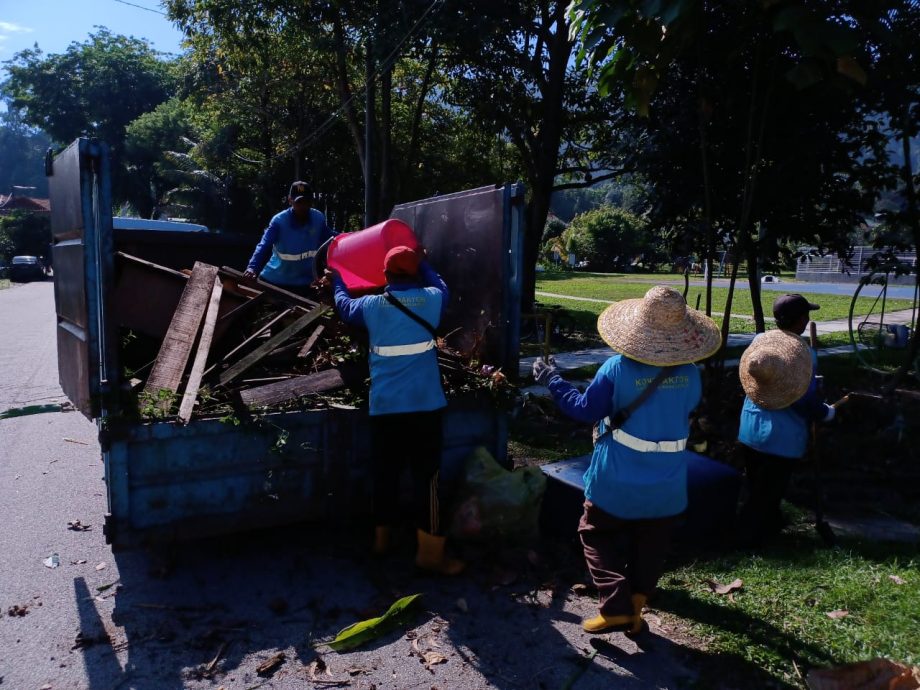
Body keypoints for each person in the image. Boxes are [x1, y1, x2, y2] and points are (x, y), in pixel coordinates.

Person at [532, 286, 720, 635]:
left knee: (594, 532)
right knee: (652, 542)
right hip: (668, 483)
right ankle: (636, 606)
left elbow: (584, 409)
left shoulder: (617, 368)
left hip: (616, 479)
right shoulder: (692, 373)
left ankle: (616, 606)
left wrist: (553, 381)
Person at [331, 244, 463, 575]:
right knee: (428, 481)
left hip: (387, 409)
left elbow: (344, 306)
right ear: (416, 273)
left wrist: (337, 276)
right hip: (426, 408)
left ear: (386, 275)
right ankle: (430, 555)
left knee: (385, 475)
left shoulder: (374, 306)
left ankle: (382, 541)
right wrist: (425, 261)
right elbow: (442, 285)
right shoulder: (434, 299)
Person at [736, 297, 835, 547]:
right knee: (767, 492)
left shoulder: (760, 341)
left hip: (750, 428)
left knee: (758, 486)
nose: (808, 320)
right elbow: (803, 399)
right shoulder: (802, 355)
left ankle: (770, 526)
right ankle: (748, 539)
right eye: (806, 316)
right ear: (801, 320)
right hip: (779, 438)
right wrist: (825, 413)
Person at [243, 181, 334, 294]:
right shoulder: (279, 221)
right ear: (290, 200)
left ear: (311, 202)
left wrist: (354, 237)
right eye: (299, 202)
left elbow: (332, 238)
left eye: (306, 202)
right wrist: (252, 268)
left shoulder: (318, 219)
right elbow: (263, 246)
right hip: (275, 282)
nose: (303, 206)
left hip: (305, 284)